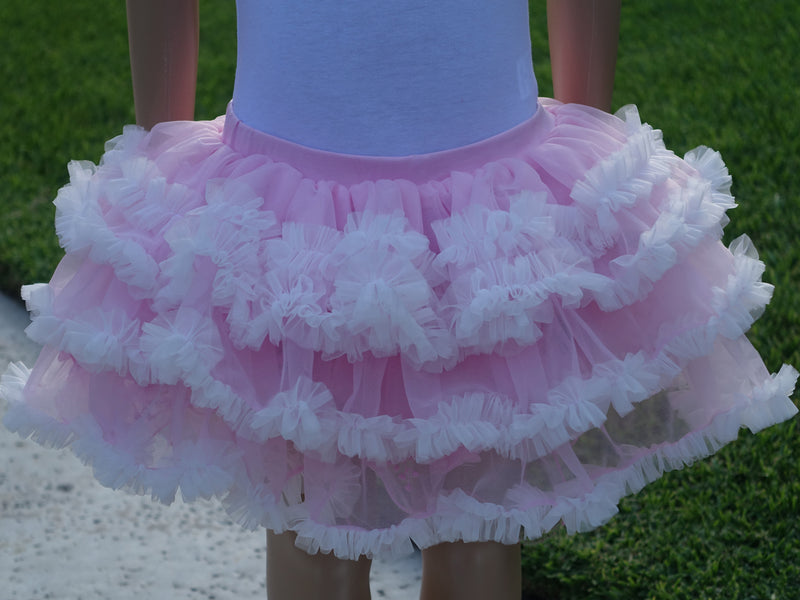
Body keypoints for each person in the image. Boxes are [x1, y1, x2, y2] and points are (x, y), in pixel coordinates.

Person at [2, 1, 797, 599]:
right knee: (417, 510)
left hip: (443, 193)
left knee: (354, 510)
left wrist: (163, 143)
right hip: (354, 196)